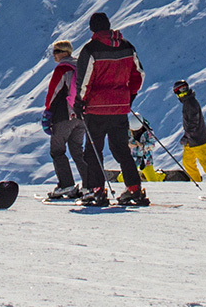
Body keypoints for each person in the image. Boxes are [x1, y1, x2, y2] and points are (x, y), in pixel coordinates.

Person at [75, 12, 149, 206]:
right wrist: (129, 96)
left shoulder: (91, 50)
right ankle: (134, 189)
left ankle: (96, 190)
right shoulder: (127, 46)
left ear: (92, 29)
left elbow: (84, 81)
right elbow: (139, 74)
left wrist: (80, 102)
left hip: (96, 109)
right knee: (121, 150)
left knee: (93, 151)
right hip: (119, 108)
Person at [42, 40, 87, 200]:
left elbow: (53, 93)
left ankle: (66, 184)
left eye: (55, 52)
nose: (54, 55)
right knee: (77, 150)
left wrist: (47, 113)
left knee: (57, 150)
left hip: (63, 116)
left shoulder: (62, 69)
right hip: (81, 116)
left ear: (62, 52)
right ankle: (89, 185)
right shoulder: (80, 66)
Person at [173, 80, 206, 183]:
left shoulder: (190, 103)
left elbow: (193, 123)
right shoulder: (188, 102)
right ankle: (195, 181)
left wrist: (187, 136)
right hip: (191, 140)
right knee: (188, 162)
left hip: (199, 140)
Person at [118, 114, 167, 182]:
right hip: (133, 158)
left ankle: (160, 175)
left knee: (153, 180)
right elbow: (121, 141)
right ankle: (139, 173)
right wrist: (128, 144)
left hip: (145, 159)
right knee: (122, 179)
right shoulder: (126, 130)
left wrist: (143, 146)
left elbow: (152, 145)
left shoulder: (148, 131)